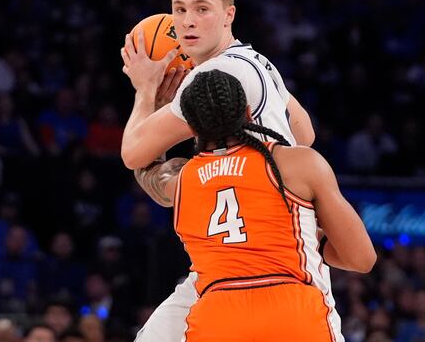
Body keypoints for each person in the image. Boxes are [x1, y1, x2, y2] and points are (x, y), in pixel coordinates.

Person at [120, 0, 317, 342]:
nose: (187, 21)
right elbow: (305, 133)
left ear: (229, 15)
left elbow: (133, 153)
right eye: (180, 10)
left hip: (261, 250)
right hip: (251, 247)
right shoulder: (260, 62)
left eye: (201, 9)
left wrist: (145, 88)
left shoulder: (213, 76)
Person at [134, 70, 376, 340]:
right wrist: (313, 241)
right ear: (248, 113)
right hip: (292, 312)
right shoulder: (296, 163)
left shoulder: (180, 181)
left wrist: (149, 99)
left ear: (190, 127)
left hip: (217, 318)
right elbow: (362, 259)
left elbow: (142, 162)